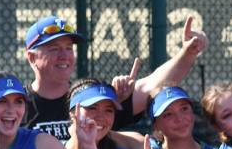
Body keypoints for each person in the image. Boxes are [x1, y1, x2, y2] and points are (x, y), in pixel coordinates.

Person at [21, 15, 207, 141]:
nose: (64, 56)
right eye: (54, 49)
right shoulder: (17, 105)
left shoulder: (94, 97)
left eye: (69, 48)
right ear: (31, 58)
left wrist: (187, 53)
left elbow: (152, 84)